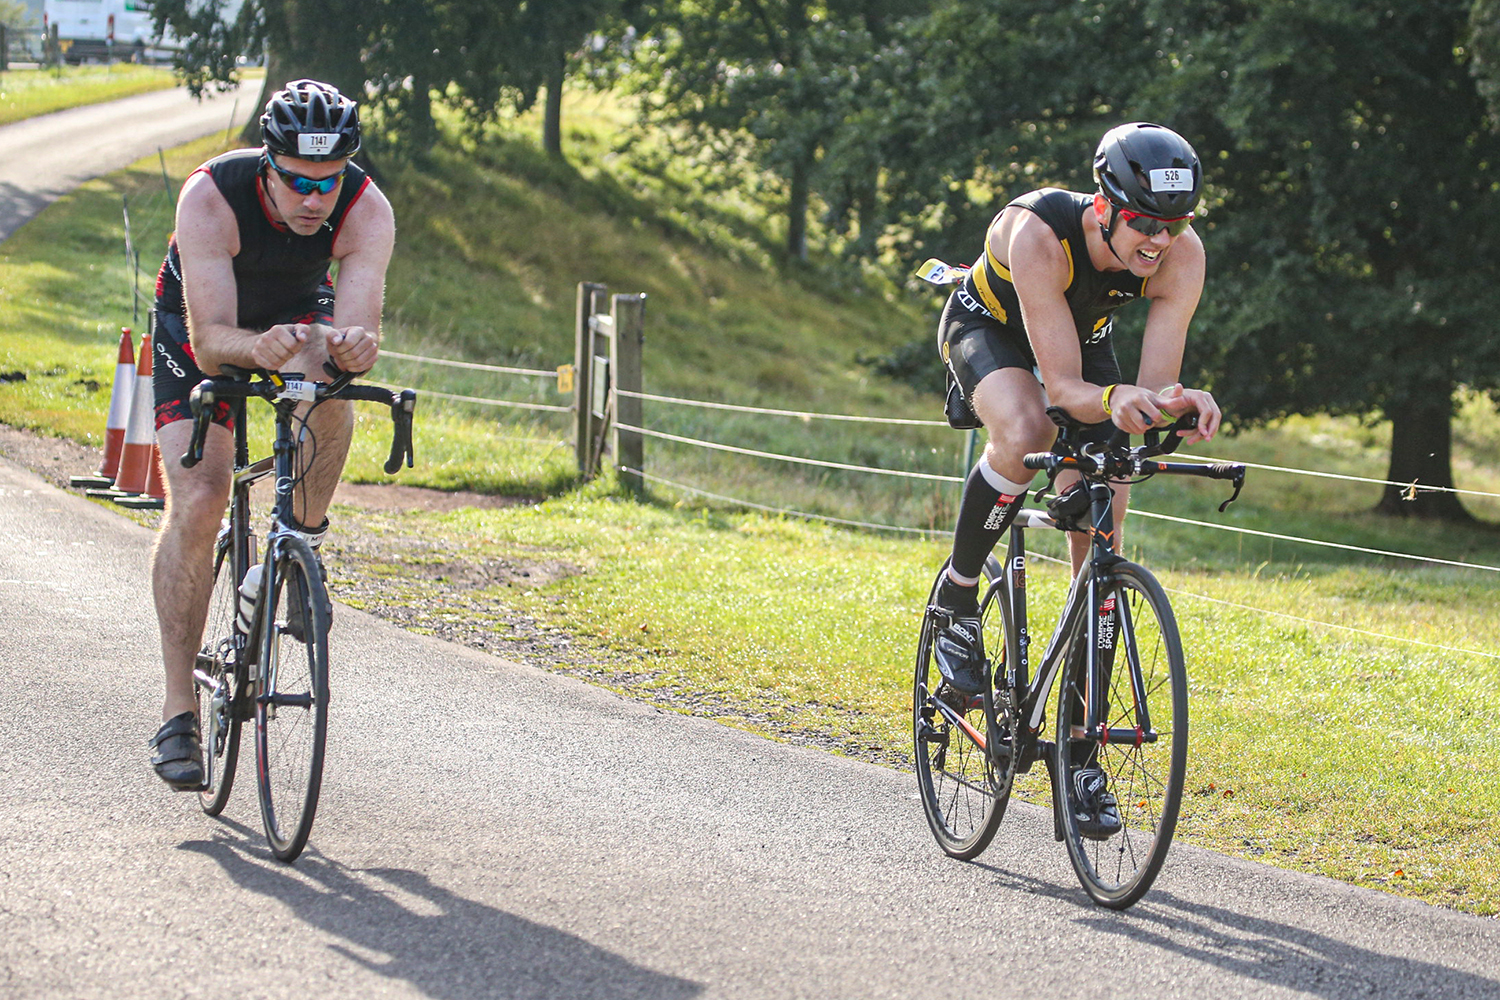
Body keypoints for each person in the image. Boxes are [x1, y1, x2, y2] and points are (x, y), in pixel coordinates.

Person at [930, 122, 1221, 836]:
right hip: (991, 329)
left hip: (1084, 349)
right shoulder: (1038, 232)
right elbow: (1060, 387)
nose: (1159, 240)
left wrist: (1175, 402)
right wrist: (1115, 402)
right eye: (1145, 223)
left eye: (1174, 223)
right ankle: (958, 596)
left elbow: (1147, 391)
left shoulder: (1181, 257)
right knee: (1030, 429)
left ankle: (1081, 754)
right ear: (1105, 206)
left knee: (1104, 527)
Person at [147, 79, 395, 789]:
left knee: (327, 386)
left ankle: (299, 550)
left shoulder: (366, 208)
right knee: (200, 499)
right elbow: (212, 341)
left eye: (327, 182)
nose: (313, 198)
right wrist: (257, 350)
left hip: (295, 307)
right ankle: (177, 711)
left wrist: (353, 349)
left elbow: (357, 328)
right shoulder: (210, 197)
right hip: (202, 325)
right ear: (267, 164)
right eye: (295, 181)